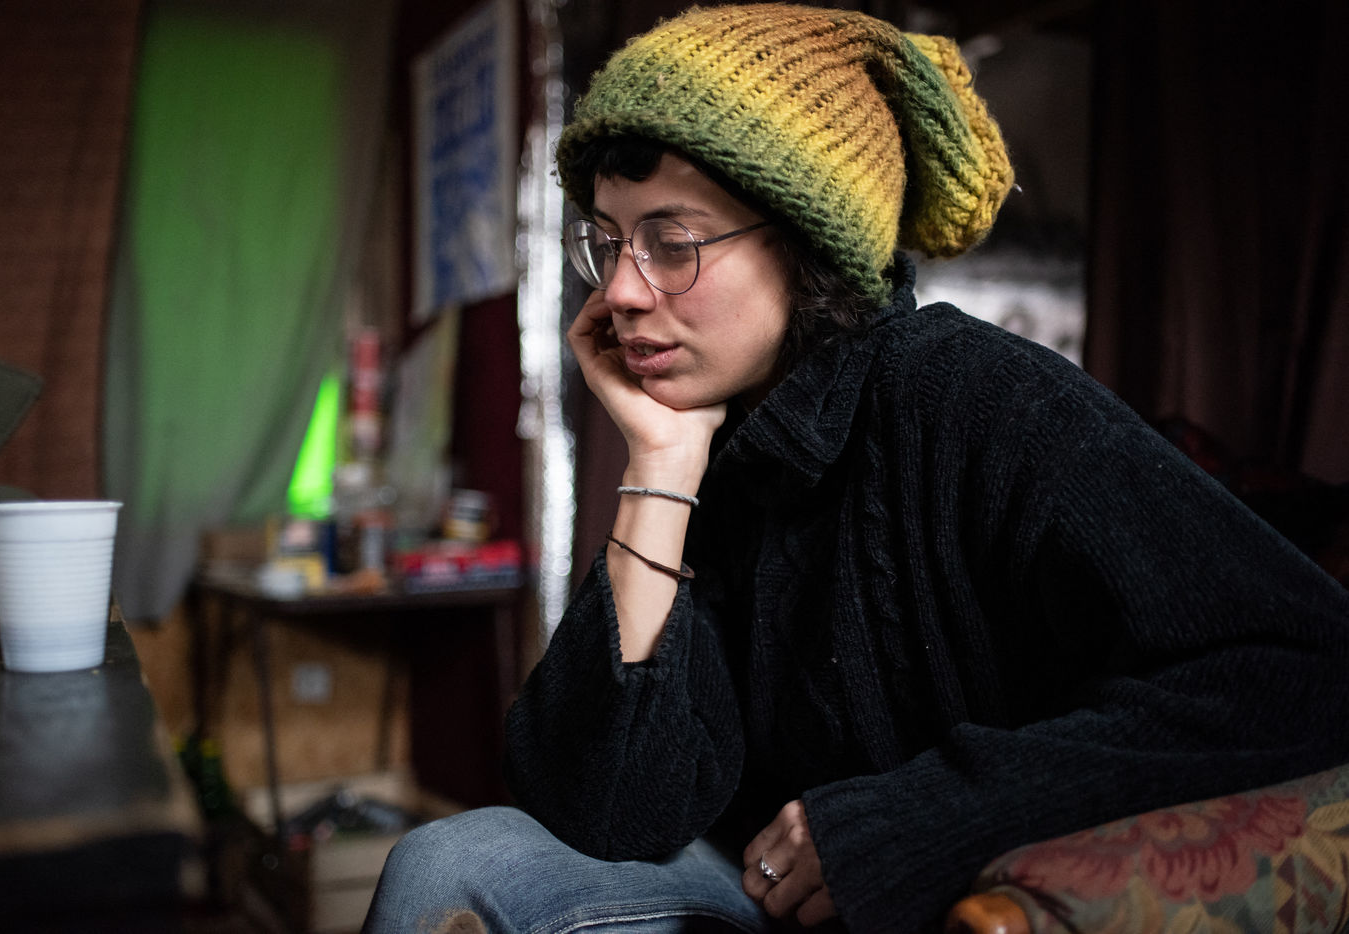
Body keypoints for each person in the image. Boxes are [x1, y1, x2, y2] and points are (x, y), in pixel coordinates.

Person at [364, 5, 1349, 932]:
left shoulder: (969, 392)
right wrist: (660, 463)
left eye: (670, 242)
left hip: (954, 884)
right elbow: (607, 810)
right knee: (451, 863)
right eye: (611, 242)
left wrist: (916, 819)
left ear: (805, 245)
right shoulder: (712, 434)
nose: (621, 290)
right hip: (755, 884)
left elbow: (1306, 663)